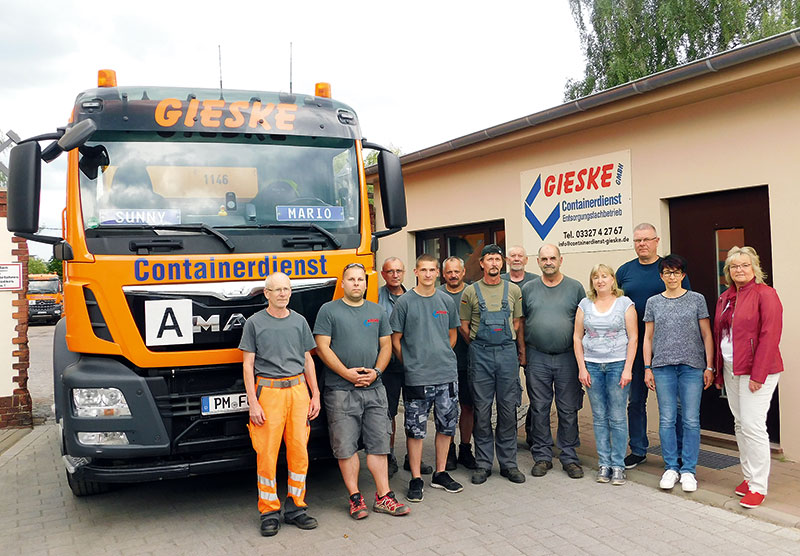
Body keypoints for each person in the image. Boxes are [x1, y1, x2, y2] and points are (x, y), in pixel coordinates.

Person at [314, 263, 410, 520]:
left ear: (366, 285)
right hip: (340, 391)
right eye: (351, 279)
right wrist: (346, 374)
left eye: (360, 280)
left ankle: (384, 496)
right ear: (342, 283)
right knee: (346, 447)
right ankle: (356, 498)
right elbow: (322, 347)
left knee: (379, 444)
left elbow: (386, 346)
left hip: (375, 388)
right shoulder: (328, 311)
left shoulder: (377, 311)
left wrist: (376, 372)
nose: (356, 283)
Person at [239, 272, 321, 537]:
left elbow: (308, 360)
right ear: (267, 294)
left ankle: (296, 507)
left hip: (298, 392)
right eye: (277, 290)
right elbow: (248, 365)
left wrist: (315, 394)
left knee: (299, 452)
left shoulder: (299, 322)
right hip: (269, 394)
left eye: (286, 289)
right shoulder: (254, 323)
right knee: (267, 455)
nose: (283, 294)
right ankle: (269, 511)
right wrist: (253, 402)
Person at [713, 246, 783, 509]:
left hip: (758, 370)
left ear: (754, 268)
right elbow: (721, 336)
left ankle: (758, 486)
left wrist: (759, 374)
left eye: (744, 265)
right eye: (733, 266)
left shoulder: (766, 294)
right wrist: (719, 371)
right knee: (741, 424)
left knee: (753, 426)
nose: (739, 270)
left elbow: (770, 335)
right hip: (732, 368)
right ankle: (748, 476)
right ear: (728, 271)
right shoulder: (725, 297)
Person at [390, 254, 464, 502]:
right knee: (415, 429)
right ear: (416, 272)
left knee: (446, 425)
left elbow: (452, 336)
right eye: (424, 270)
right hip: (417, 377)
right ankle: (416, 477)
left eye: (433, 270)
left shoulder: (446, 301)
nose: (429, 274)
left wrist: (441, 355)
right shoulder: (405, 303)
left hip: (446, 376)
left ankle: (441, 473)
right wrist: (411, 363)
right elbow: (395, 340)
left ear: (438, 273)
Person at [616, 223, 690, 469]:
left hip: (669, 347)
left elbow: (686, 305)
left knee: (673, 404)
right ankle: (638, 449)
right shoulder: (625, 271)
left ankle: (678, 452)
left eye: (647, 239)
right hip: (635, 347)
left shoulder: (671, 270)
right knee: (635, 401)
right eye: (637, 240)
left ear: (657, 241)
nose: (642, 244)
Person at [642, 254, 714, 493]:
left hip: (692, 367)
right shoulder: (653, 302)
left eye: (676, 272)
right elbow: (648, 337)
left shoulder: (696, 300)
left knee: (691, 419)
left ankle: (689, 470)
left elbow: (706, 335)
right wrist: (647, 367)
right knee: (667, 419)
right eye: (667, 272)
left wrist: (709, 366)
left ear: (683, 275)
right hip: (662, 368)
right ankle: (671, 467)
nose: (671, 277)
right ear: (661, 276)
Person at [460, 244, 526, 485]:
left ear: (503, 263)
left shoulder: (514, 290)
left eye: (498, 259)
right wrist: (481, 345)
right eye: (489, 259)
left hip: (506, 354)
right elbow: (464, 328)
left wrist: (515, 349)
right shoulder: (470, 292)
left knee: (508, 410)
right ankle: (483, 463)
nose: (494, 264)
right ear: (482, 264)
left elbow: (517, 323)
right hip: (481, 355)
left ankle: (509, 464)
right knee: (482, 410)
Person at [521, 244, 586, 479]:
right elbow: (522, 322)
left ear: (560, 260)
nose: (548, 262)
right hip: (536, 356)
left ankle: (569, 456)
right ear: (537, 262)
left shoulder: (575, 287)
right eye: (544, 258)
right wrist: (523, 353)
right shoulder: (528, 289)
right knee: (539, 408)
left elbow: (583, 324)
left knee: (568, 409)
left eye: (552, 258)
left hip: (567, 357)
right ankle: (542, 456)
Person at [574, 264, 638, 485]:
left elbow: (634, 338)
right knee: (600, 417)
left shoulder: (625, 304)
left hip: (617, 365)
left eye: (604, 276)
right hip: (592, 366)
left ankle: (618, 465)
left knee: (618, 417)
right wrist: (581, 367)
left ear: (613, 279)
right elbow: (576, 337)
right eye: (595, 277)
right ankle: (604, 464)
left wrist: (628, 368)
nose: (600, 281)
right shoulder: (585, 304)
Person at [378, 257, 433, 477]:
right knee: (388, 412)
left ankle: (413, 459)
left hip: (413, 367)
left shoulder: (414, 297)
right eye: (390, 271)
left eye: (398, 271)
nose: (395, 275)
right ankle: (389, 455)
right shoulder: (375, 297)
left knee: (415, 412)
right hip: (388, 366)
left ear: (405, 273)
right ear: (383, 274)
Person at [438, 256, 478, 470]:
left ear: (463, 273)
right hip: (444, 364)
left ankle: (465, 448)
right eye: (449, 272)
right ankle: (449, 450)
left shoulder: (472, 292)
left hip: (469, 362)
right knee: (446, 410)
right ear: (443, 274)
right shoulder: (437, 295)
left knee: (468, 407)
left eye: (457, 271)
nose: (453, 275)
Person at [499, 244, 540, 447]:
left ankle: (532, 432)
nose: (516, 258)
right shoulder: (500, 281)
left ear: (526, 260)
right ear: (507, 260)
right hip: (505, 344)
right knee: (510, 392)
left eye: (520, 256)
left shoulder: (535, 281)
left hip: (531, 343)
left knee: (536, 391)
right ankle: (510, 435)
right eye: (512, 256)